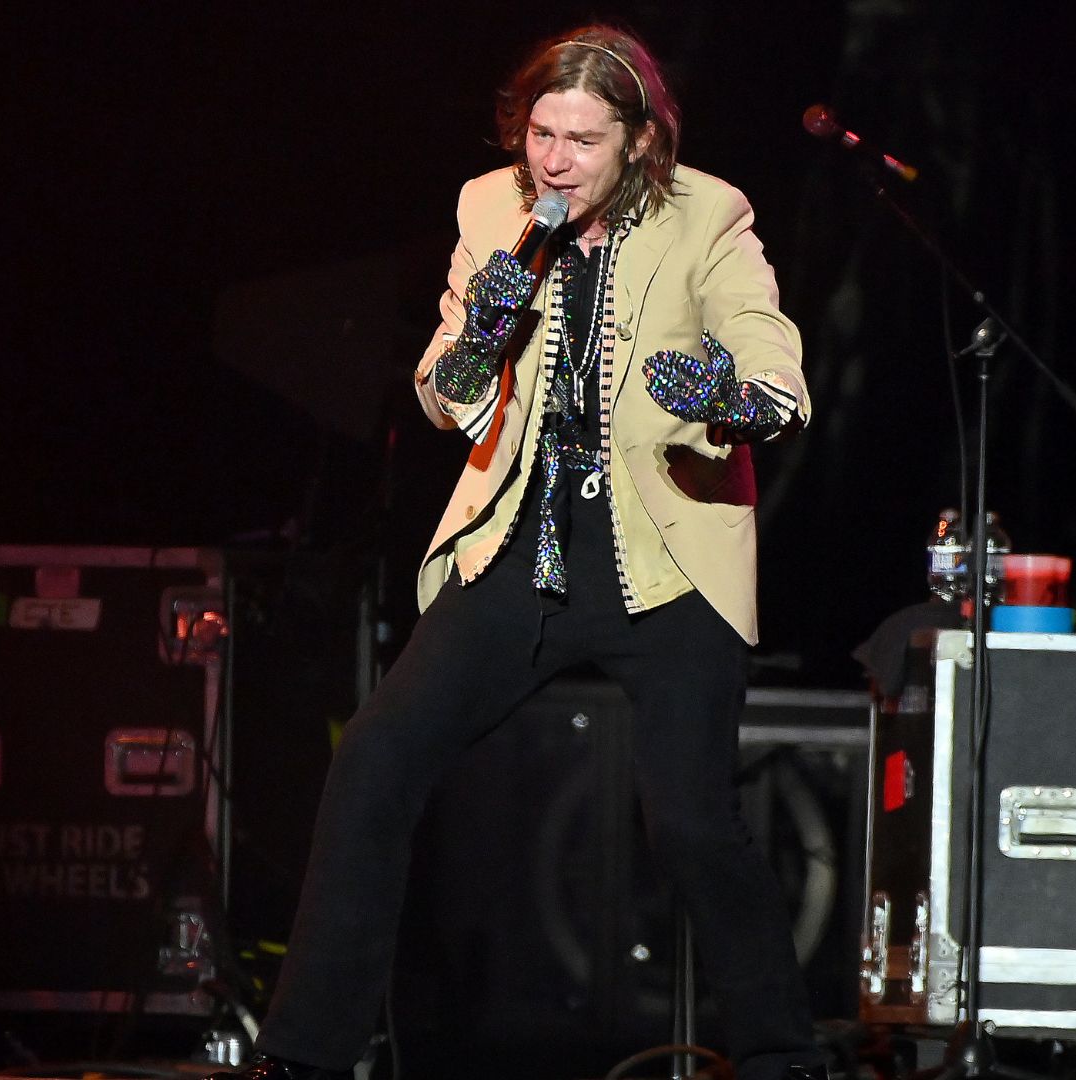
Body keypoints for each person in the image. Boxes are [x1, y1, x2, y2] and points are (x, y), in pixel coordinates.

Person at [227, 24, 822, 1080]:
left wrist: (730, 400)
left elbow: (772, 364)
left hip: (662, 548)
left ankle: (783, 1057)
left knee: (689, 820)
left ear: (640, 142)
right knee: (372, 761)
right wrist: (486, 318)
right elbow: (447, 400)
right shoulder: (490, 209)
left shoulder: (708, 214)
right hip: (524, 541)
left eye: (583, 139)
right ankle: (304, 1057)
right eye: (541, 132)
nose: (553, 160)